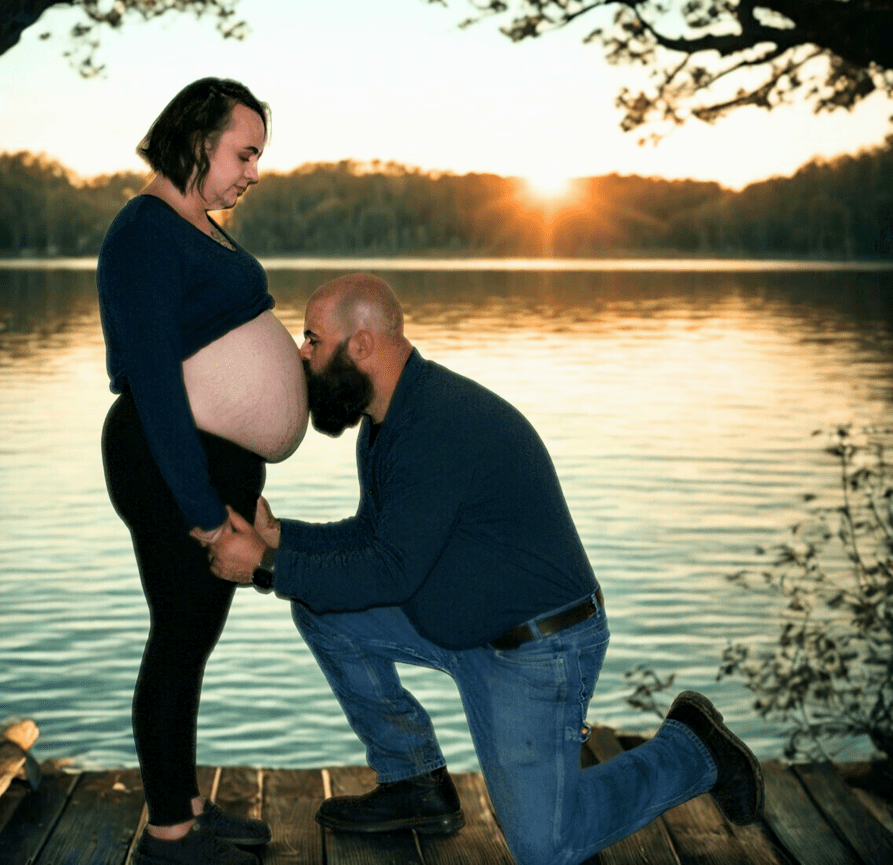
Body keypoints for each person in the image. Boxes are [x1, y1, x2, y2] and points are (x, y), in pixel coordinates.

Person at [204, 273, 764, 865]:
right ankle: (413, 781)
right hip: (457, 621)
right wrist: (283, 539)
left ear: (361, 344)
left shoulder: (437, 424)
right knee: (322, 606)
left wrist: (266, 567)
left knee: (547, 846)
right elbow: (378, 538)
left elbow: (388, 572)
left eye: (313, 339)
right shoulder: (388, 418)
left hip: (538, 650)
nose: (301, 354)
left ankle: (690, 749)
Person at [98, 77, 308, 865]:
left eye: (259, 154)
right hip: (164, 458)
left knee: (195, 636)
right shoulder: (145, 232)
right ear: (195, 139)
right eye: (243, 152)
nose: (253, 169)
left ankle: (183, 801)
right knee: (177, 636)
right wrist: (199, 507)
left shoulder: (202, 225)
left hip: (212, 459)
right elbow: (154, 379)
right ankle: (169, 837)